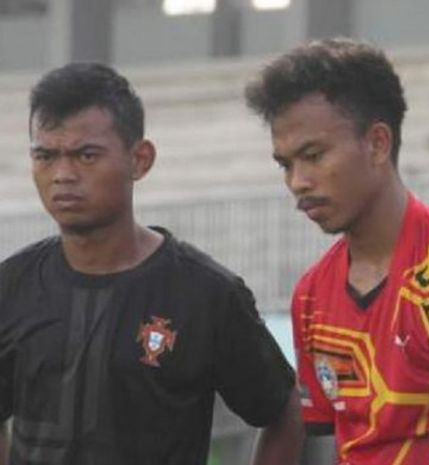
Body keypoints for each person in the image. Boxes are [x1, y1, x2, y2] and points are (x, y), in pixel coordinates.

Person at [0, 63, 304, 465]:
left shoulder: (205, 293)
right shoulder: (12, 286)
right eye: (46, 156)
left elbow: (282, 411)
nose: (63, 175)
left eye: (86, 155)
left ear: (140, 160)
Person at [244, 38, 429, 465]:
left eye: (313, 155)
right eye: (285, 164)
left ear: (377, 143)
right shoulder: (311, 295)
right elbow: (323, 441)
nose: (298, 181)